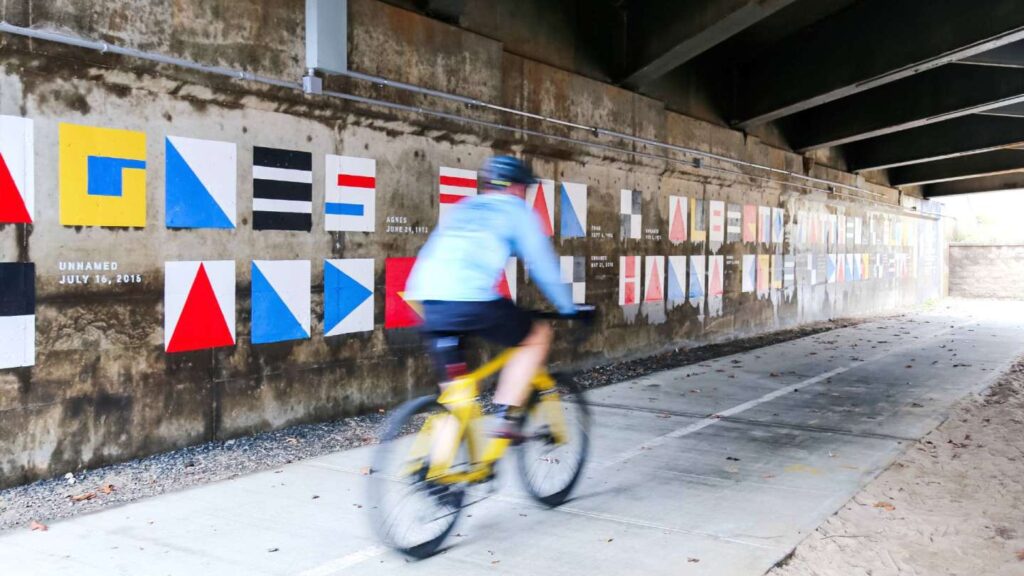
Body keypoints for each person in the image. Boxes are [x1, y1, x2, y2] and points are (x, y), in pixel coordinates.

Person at [407, 156, 576, 441]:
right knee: (537, 335)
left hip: (428, 302)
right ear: (518, 187)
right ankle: (507, 418)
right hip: (471, 301)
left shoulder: (465, 207)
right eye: (525, 189)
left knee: (457, 396)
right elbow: (543, 267)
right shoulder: (516, 212)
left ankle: (438, 475)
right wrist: (568, 307)